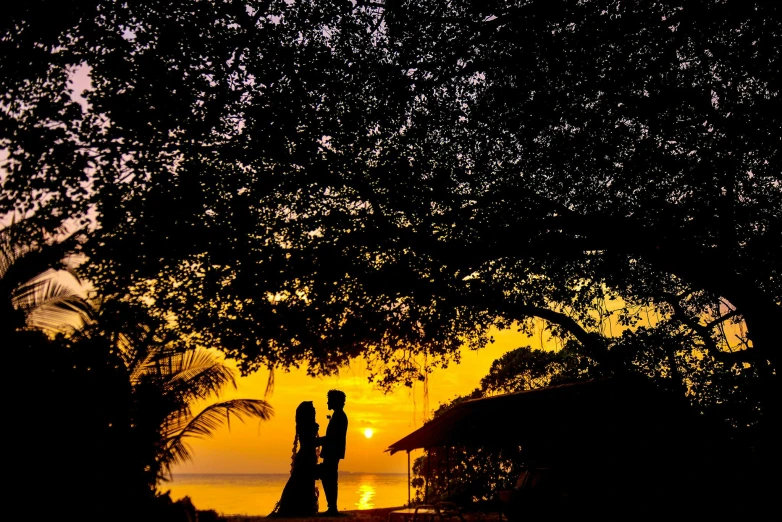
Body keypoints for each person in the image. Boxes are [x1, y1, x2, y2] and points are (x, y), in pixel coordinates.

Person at [268, 401, 320, 517]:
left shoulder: (306, 425)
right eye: (313, 410)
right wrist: (327, 440)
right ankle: (299, 509)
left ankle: (302, 509)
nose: (315, 411)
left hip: (307, 456)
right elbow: (309, 443)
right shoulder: (305, 426)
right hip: (305, 457)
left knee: (303, 482)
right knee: (300, 482)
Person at [316, 389, 348, 516]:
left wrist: (315, 442)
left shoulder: (339, 416)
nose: (327, 402)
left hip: (333, 452)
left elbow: (332, 438)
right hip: (332, 451)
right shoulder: (338, 416)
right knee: (328, 477)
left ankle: (332, 507)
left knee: (329, 477)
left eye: (329, 400)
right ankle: (332, 506)